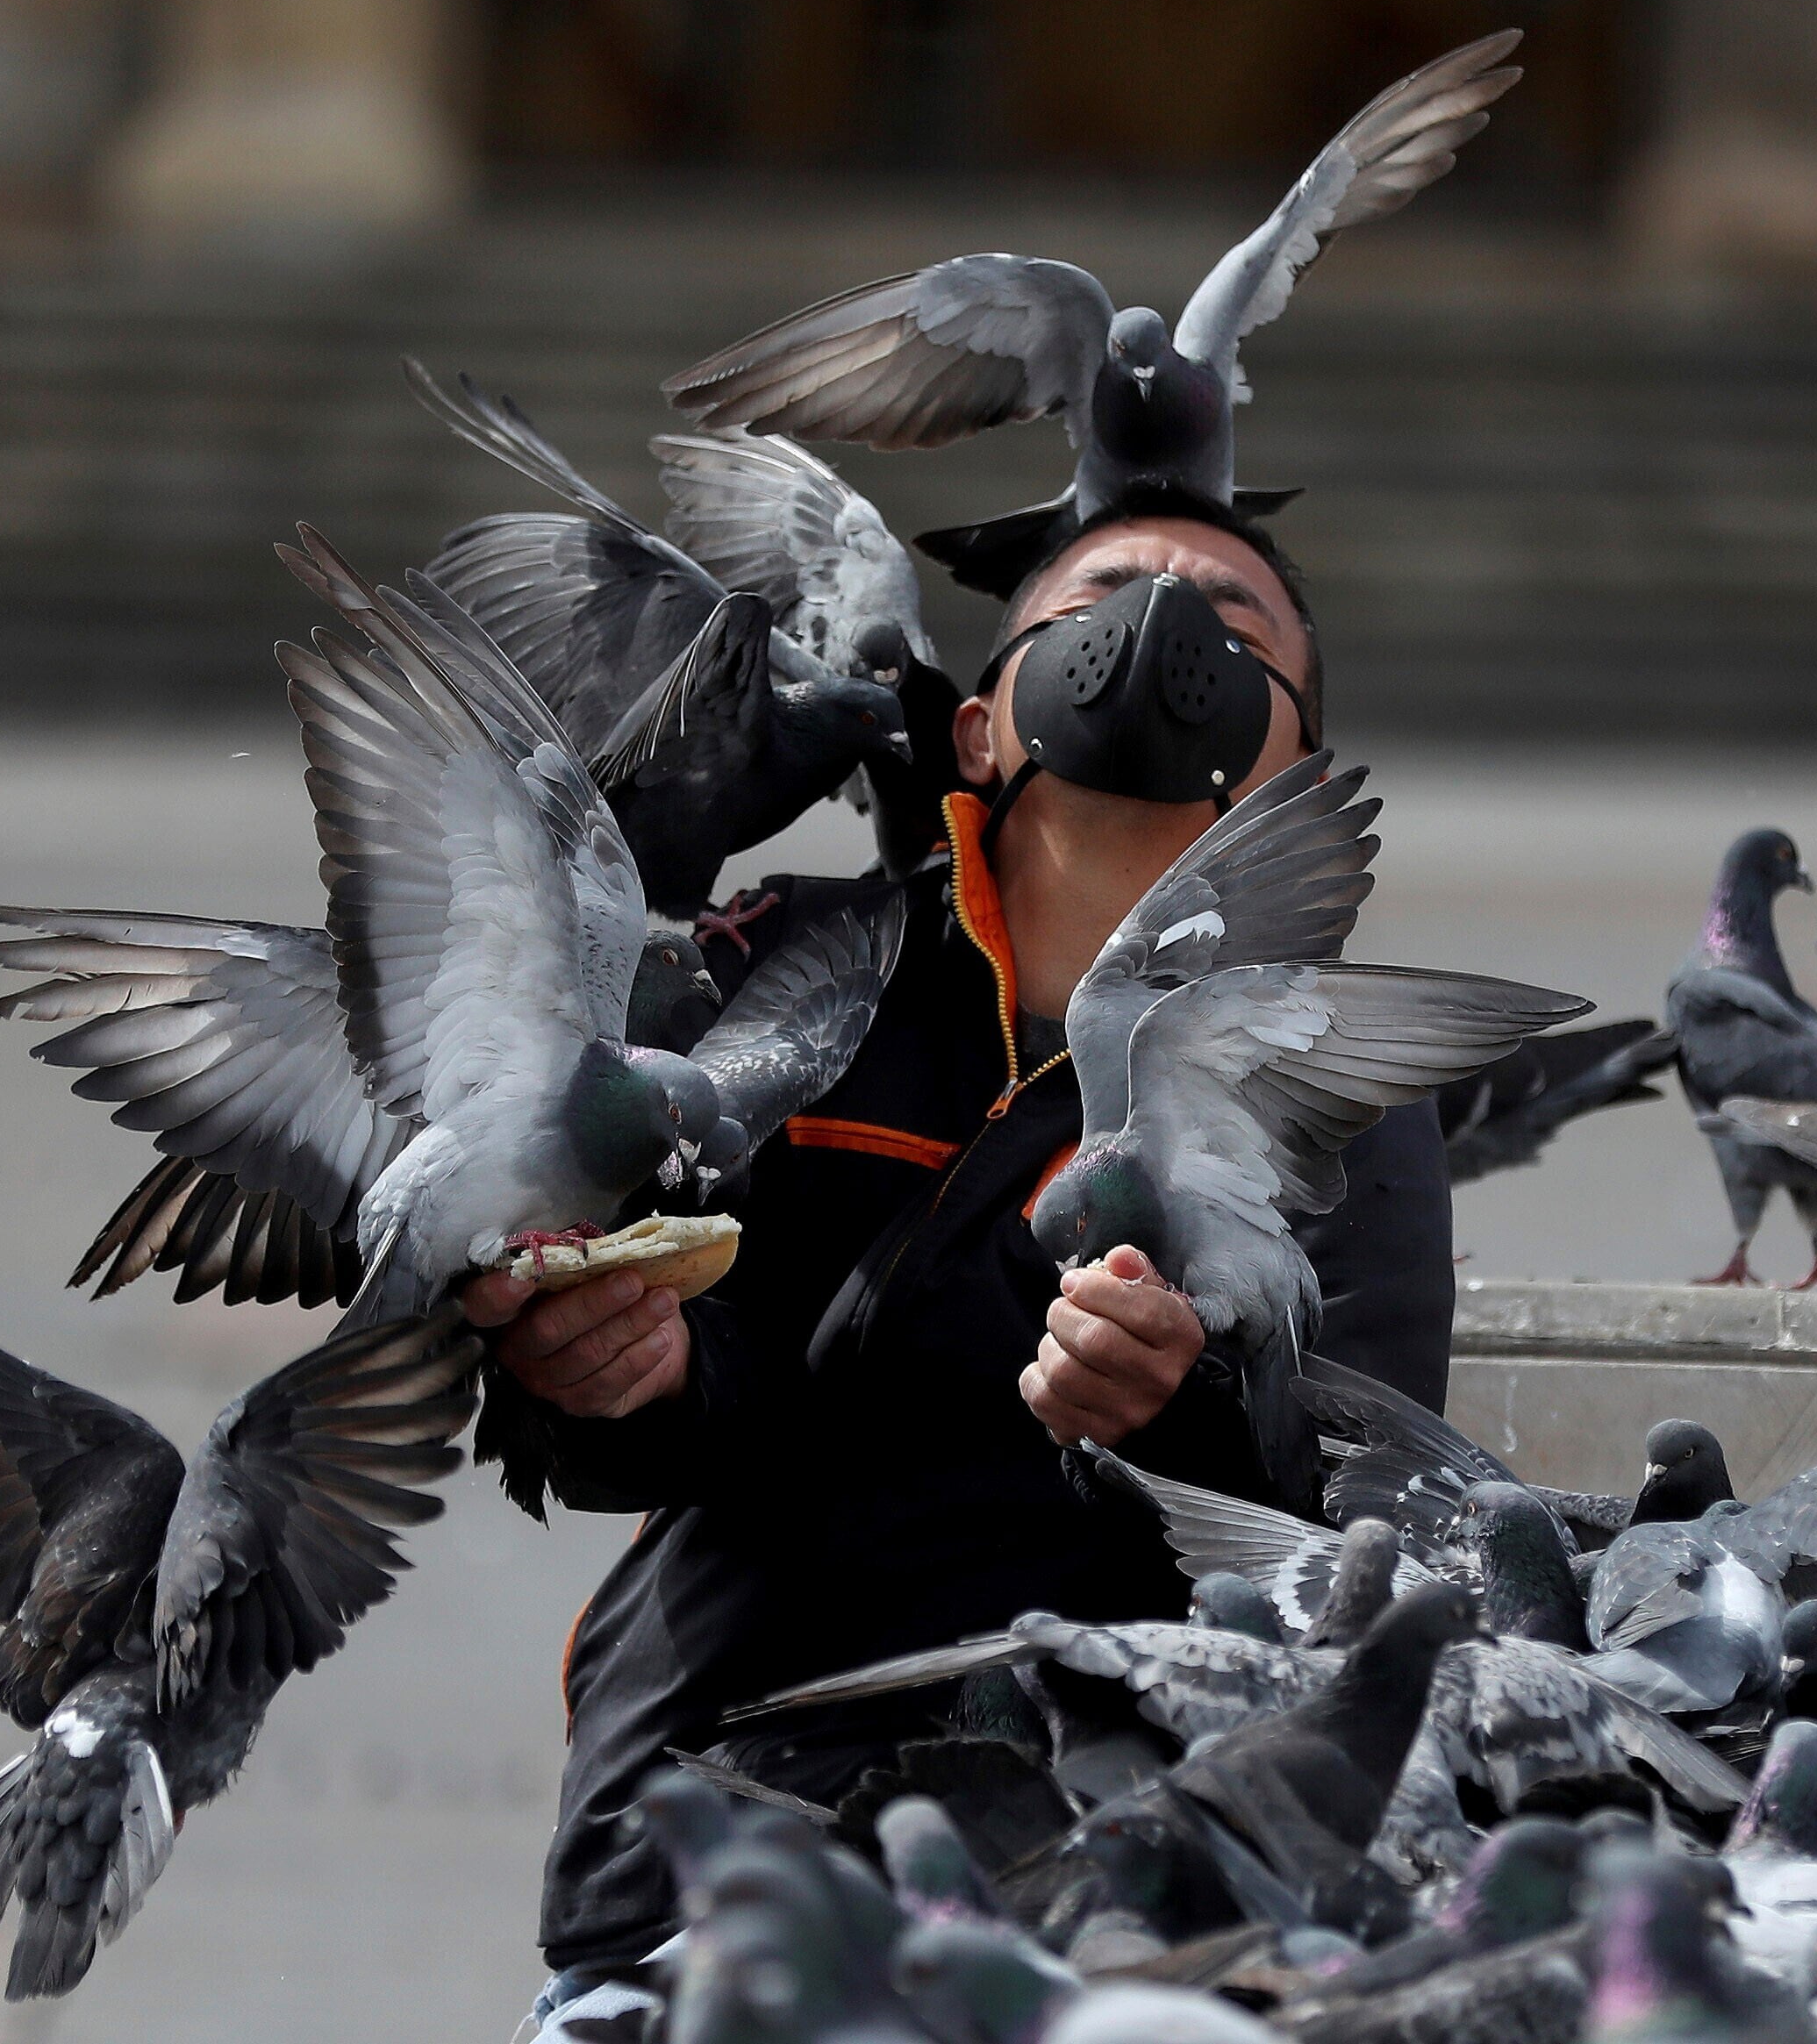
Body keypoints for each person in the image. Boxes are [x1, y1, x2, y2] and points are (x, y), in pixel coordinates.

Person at [469, 496, 1456, 2026]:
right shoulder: (771, 967)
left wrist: (1177, 1403)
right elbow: (636, 1398)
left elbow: (1364, 1507)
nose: (1169, 617)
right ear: (979, 730)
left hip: (1104, 1855)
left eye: (1237, 622)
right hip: (734, 1811)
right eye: (1108, 588)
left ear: (1296, 785)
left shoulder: (1339, 1093)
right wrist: (613, 1362)